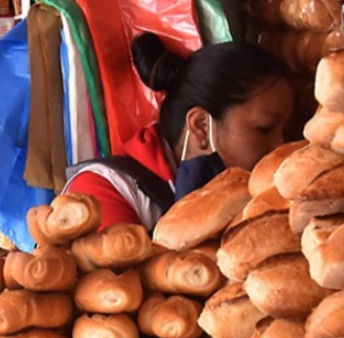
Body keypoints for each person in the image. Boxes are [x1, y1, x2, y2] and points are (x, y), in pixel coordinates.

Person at [65, 33, 293, 230]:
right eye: (264, 129)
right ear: (201, 126)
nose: (281, 147)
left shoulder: (265, 197)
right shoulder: (104, 190)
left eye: (286, 131)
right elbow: (114, 280)